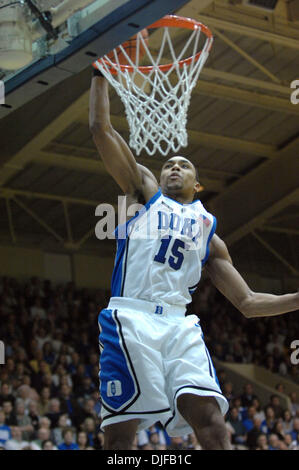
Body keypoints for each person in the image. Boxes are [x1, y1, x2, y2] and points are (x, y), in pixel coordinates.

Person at [89, 71, 299, 450]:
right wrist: (101, 76)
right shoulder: (144, 193)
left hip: (179, 326)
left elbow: (248, 303)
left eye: (183, 165)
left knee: (213, 423)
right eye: (169, 163)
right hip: (131, 317)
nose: (173, 167)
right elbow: (101, 130)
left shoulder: (209, 234)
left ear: (197, 185)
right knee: (121, 433)